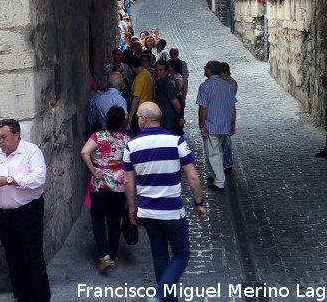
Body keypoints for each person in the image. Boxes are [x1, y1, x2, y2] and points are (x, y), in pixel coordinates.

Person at [123, 102, 206, 302]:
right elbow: (192, 176)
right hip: (171, 211)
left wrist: (132, 210)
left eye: (137, 118)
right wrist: (198, 202)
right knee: (182, 254)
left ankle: (166, 299)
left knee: (160, 257)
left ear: (143, 119)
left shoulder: (131, 146)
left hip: (147, 212)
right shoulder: (177, 142)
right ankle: (162, 295)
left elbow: (127, 181)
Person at [0, 119, 51, 302]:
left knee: (32, 255)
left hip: (27, 212)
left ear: (16, 135)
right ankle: (22, 295)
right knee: (12, 255)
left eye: (3, 137)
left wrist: (11, 180)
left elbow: (39, 178)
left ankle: (39, 297)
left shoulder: (31, 152)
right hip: (3, 214)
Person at [80, 106, 129, 271]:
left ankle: (104, 254)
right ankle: (113, 256)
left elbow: (84, 152)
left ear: (106, 119)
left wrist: (93, 170)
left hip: (99, 184)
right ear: (122, 122)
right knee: (115, 220)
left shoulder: (98, 136)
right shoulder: (126, 140)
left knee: (98, 219)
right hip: (120, 185)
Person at [196, 60, 237, 191]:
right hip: (224, 124)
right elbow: (232, 106)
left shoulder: (205, 86)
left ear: (210, 70)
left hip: (211, 125)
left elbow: (203, 108)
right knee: (217, 151)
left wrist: (202, 125)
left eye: (205, 67)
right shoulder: (226, 85)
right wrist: (232, 123)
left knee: (213, 153)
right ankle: (216, 176)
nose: (204, 69)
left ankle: (219, 182)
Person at [128, 56, 155, 135]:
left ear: (132, 67)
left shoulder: (139, 78)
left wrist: (130, 117)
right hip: (147, 110)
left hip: (139, 113)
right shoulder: (147, 73)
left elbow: (136, 98)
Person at [154, 60, 182, 134]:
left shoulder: (167, 85)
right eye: (156, 70)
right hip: (161, 122)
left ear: (166, 71)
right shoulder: (158, 84)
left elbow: (177, 106)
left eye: (160, 70)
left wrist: (176, 118)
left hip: (168, 124)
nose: (157, 72)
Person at [219, 62, 238, 171]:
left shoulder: (232, 83)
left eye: (221, 74)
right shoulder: (222, 82)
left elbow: (230, 102)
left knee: (226, 140)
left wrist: (232, 122)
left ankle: (228, 162)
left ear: (226, 73)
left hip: (226, 114)